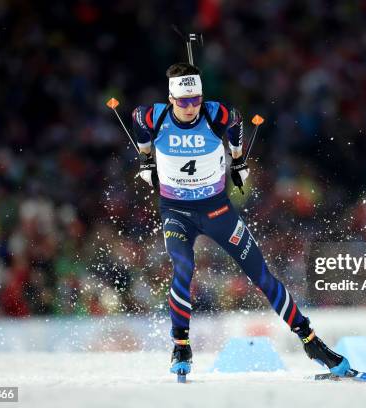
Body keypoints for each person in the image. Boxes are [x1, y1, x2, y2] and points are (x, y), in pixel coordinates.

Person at [132, 62, 349, 377]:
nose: (191, 107)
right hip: (176, 212)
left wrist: (236, 160)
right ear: (171, 99)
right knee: (183, 268)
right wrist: (145, 157)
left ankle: (310, 340)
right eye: (183, 101)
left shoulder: (214, 113)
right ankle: (180, 344)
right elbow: (137, 119)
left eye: (196, 99)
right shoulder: (155, 116)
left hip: (216, 210)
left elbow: (235, 122)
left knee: (261, 275)